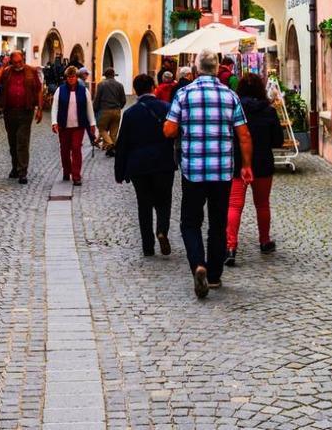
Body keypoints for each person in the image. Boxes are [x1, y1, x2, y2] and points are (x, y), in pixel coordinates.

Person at [164, 49, 253, 299]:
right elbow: (244, 135)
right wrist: (246, 165)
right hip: (222, 170)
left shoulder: (184, 94)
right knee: (217, 223)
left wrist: (178, 125)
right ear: (216, 69)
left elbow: (170, 130)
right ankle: (214, 275)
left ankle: (198, 265)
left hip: (193, 170)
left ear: (196, 69)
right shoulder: (230, 96)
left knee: (190, 222)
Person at [114, 74, 176, 256]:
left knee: (144, 205)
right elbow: (175, 133)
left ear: (135, 90)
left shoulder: (130, 114)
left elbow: (122, 144)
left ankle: (147, 246)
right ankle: (162, 230)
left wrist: (120, 172)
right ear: (153, 87)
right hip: (163, 163)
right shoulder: (166, 108)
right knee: (164, 201)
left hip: (139, 166)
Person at [225, 72, 283, 266]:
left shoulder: (234, 108)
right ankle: (264, 241)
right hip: (263, 163)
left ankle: (231, 246)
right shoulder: (268, 111)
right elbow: (278, 140)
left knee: (234, 205)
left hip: (237, 163)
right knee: (262, 204)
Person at [0, 50, 43, 184]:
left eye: (20, 61)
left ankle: (22, 172)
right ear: (11, 62)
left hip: (26, 111)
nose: (18, 64)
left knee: (22, 141)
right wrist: (3, 66)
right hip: (9, 111)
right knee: (12, 141)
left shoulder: (31, 71)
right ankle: (15, 167)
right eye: (15, 62)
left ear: (23, 59)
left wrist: (40, 109)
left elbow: (39, 90)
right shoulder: (7, 71)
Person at [50, 66, 97, 186]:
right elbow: (54, 107)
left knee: (76, 148)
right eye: (69, 77)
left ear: (76, 77)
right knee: (64, 150)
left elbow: (89, 107)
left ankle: (76, 175)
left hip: (78, 125)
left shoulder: (83, 91)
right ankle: (67, 171)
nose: (71, 79)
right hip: (64, 126)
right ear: (67, 78)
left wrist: (92, 123)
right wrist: (54, 122)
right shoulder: (60, 90)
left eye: (73, 77)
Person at [93, 67, 126, 157]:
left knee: (102, 129)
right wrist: (119, 107)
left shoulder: (101, 84)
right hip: (117, 111)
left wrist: (95, 109)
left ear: (105, 75)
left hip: (104, 110)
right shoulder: (120, 85)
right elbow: (123, 100)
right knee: (114, 132)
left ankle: (110, 145)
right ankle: (111, 150)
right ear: (113, 75)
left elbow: (97, 99)